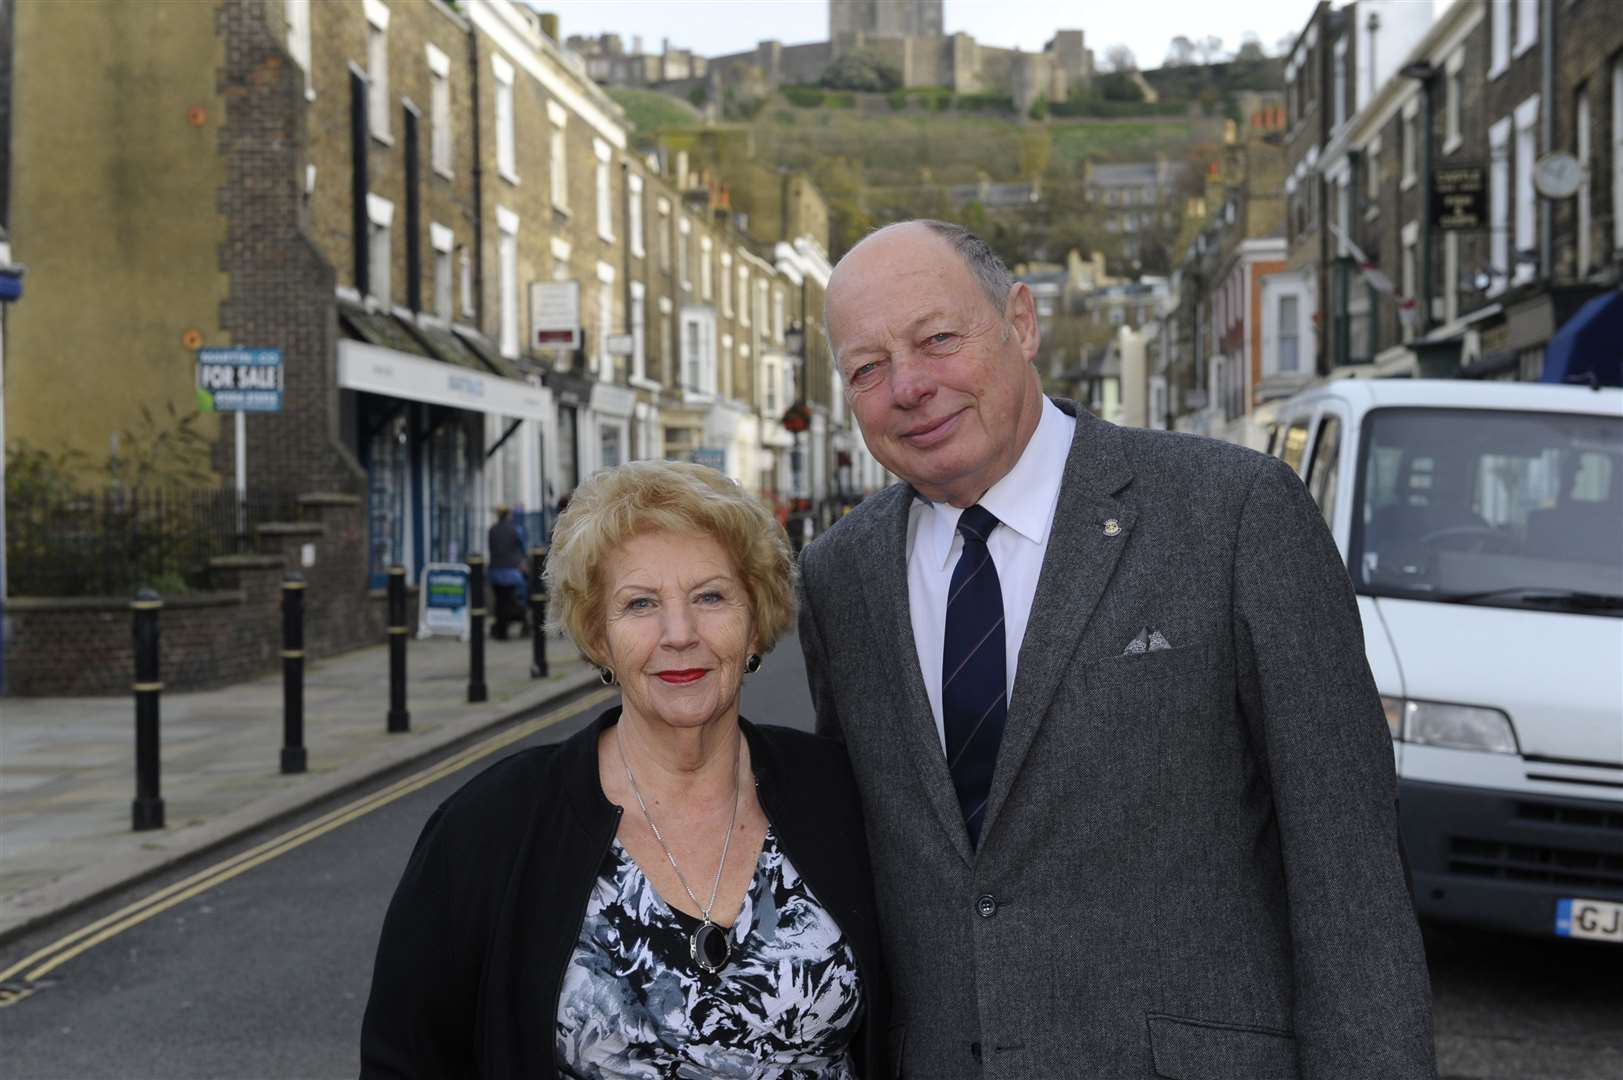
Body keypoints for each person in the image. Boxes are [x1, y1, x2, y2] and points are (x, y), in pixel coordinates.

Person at [797, 220, 1436, 1079]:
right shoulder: (840, 577)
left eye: (938, 339)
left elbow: (1348, 875)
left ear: (1020, 322)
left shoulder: (1233, 513)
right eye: (866, 368)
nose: (908, 385)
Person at [362, 460, 889, 1079]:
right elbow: (406, 1061)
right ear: (599, 638)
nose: (679, 633)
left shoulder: (844, 795)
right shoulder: (492, 825)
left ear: (755, 621)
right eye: (640, 604)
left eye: (711, 596)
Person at [486, 504, 527, 640]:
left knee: (499, 601)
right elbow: (522, 548)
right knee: (510, 601)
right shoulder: (515, 530)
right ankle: (518, 622)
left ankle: (501, 631)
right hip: (510, 573)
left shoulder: (492, 530)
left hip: (495, 572)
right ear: (508, 515)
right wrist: (522, 561)